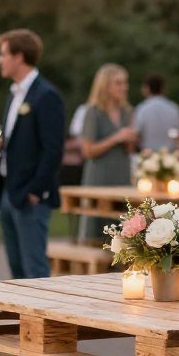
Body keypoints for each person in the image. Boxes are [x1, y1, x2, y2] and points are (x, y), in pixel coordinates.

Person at [0, 28, 64, 280]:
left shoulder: (46, 95)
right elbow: (24, 142)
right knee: (16, 270)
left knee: (35, 271)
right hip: (8, 190)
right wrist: (0, 146)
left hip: (30, 195)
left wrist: (35, 191)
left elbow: (53, 150)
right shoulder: (14, 94)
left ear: (19, 57)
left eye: (3, 54)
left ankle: (45, 309)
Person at [76, 63, 136, 243]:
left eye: (125, 83)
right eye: (118, 83)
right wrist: (116, 138)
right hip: (99, 179)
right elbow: (87, 151)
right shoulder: (93, 112)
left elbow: (129, 150)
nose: (124, 87)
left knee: (123, 231)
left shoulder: (127, 112)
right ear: (105, 86)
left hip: (122, 177)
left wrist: (131, 140)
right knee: (96, 231)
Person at [133, 73, 179, 153]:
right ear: (163, 88)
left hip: (148, 155)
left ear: (147, 88)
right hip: (171, 155)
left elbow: (136, 135)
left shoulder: (141, 109)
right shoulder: (174, 109)